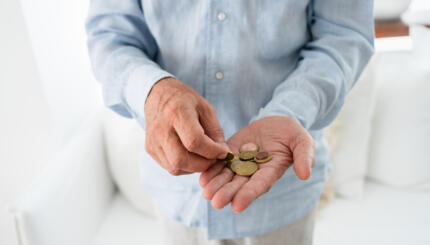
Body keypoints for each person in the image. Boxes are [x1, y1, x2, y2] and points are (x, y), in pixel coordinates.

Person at [86, 1, 374, 244]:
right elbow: (110, 37)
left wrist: (290, 111)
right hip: (177, 193)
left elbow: (344, 37)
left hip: (283, 194)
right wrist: (153, 91)